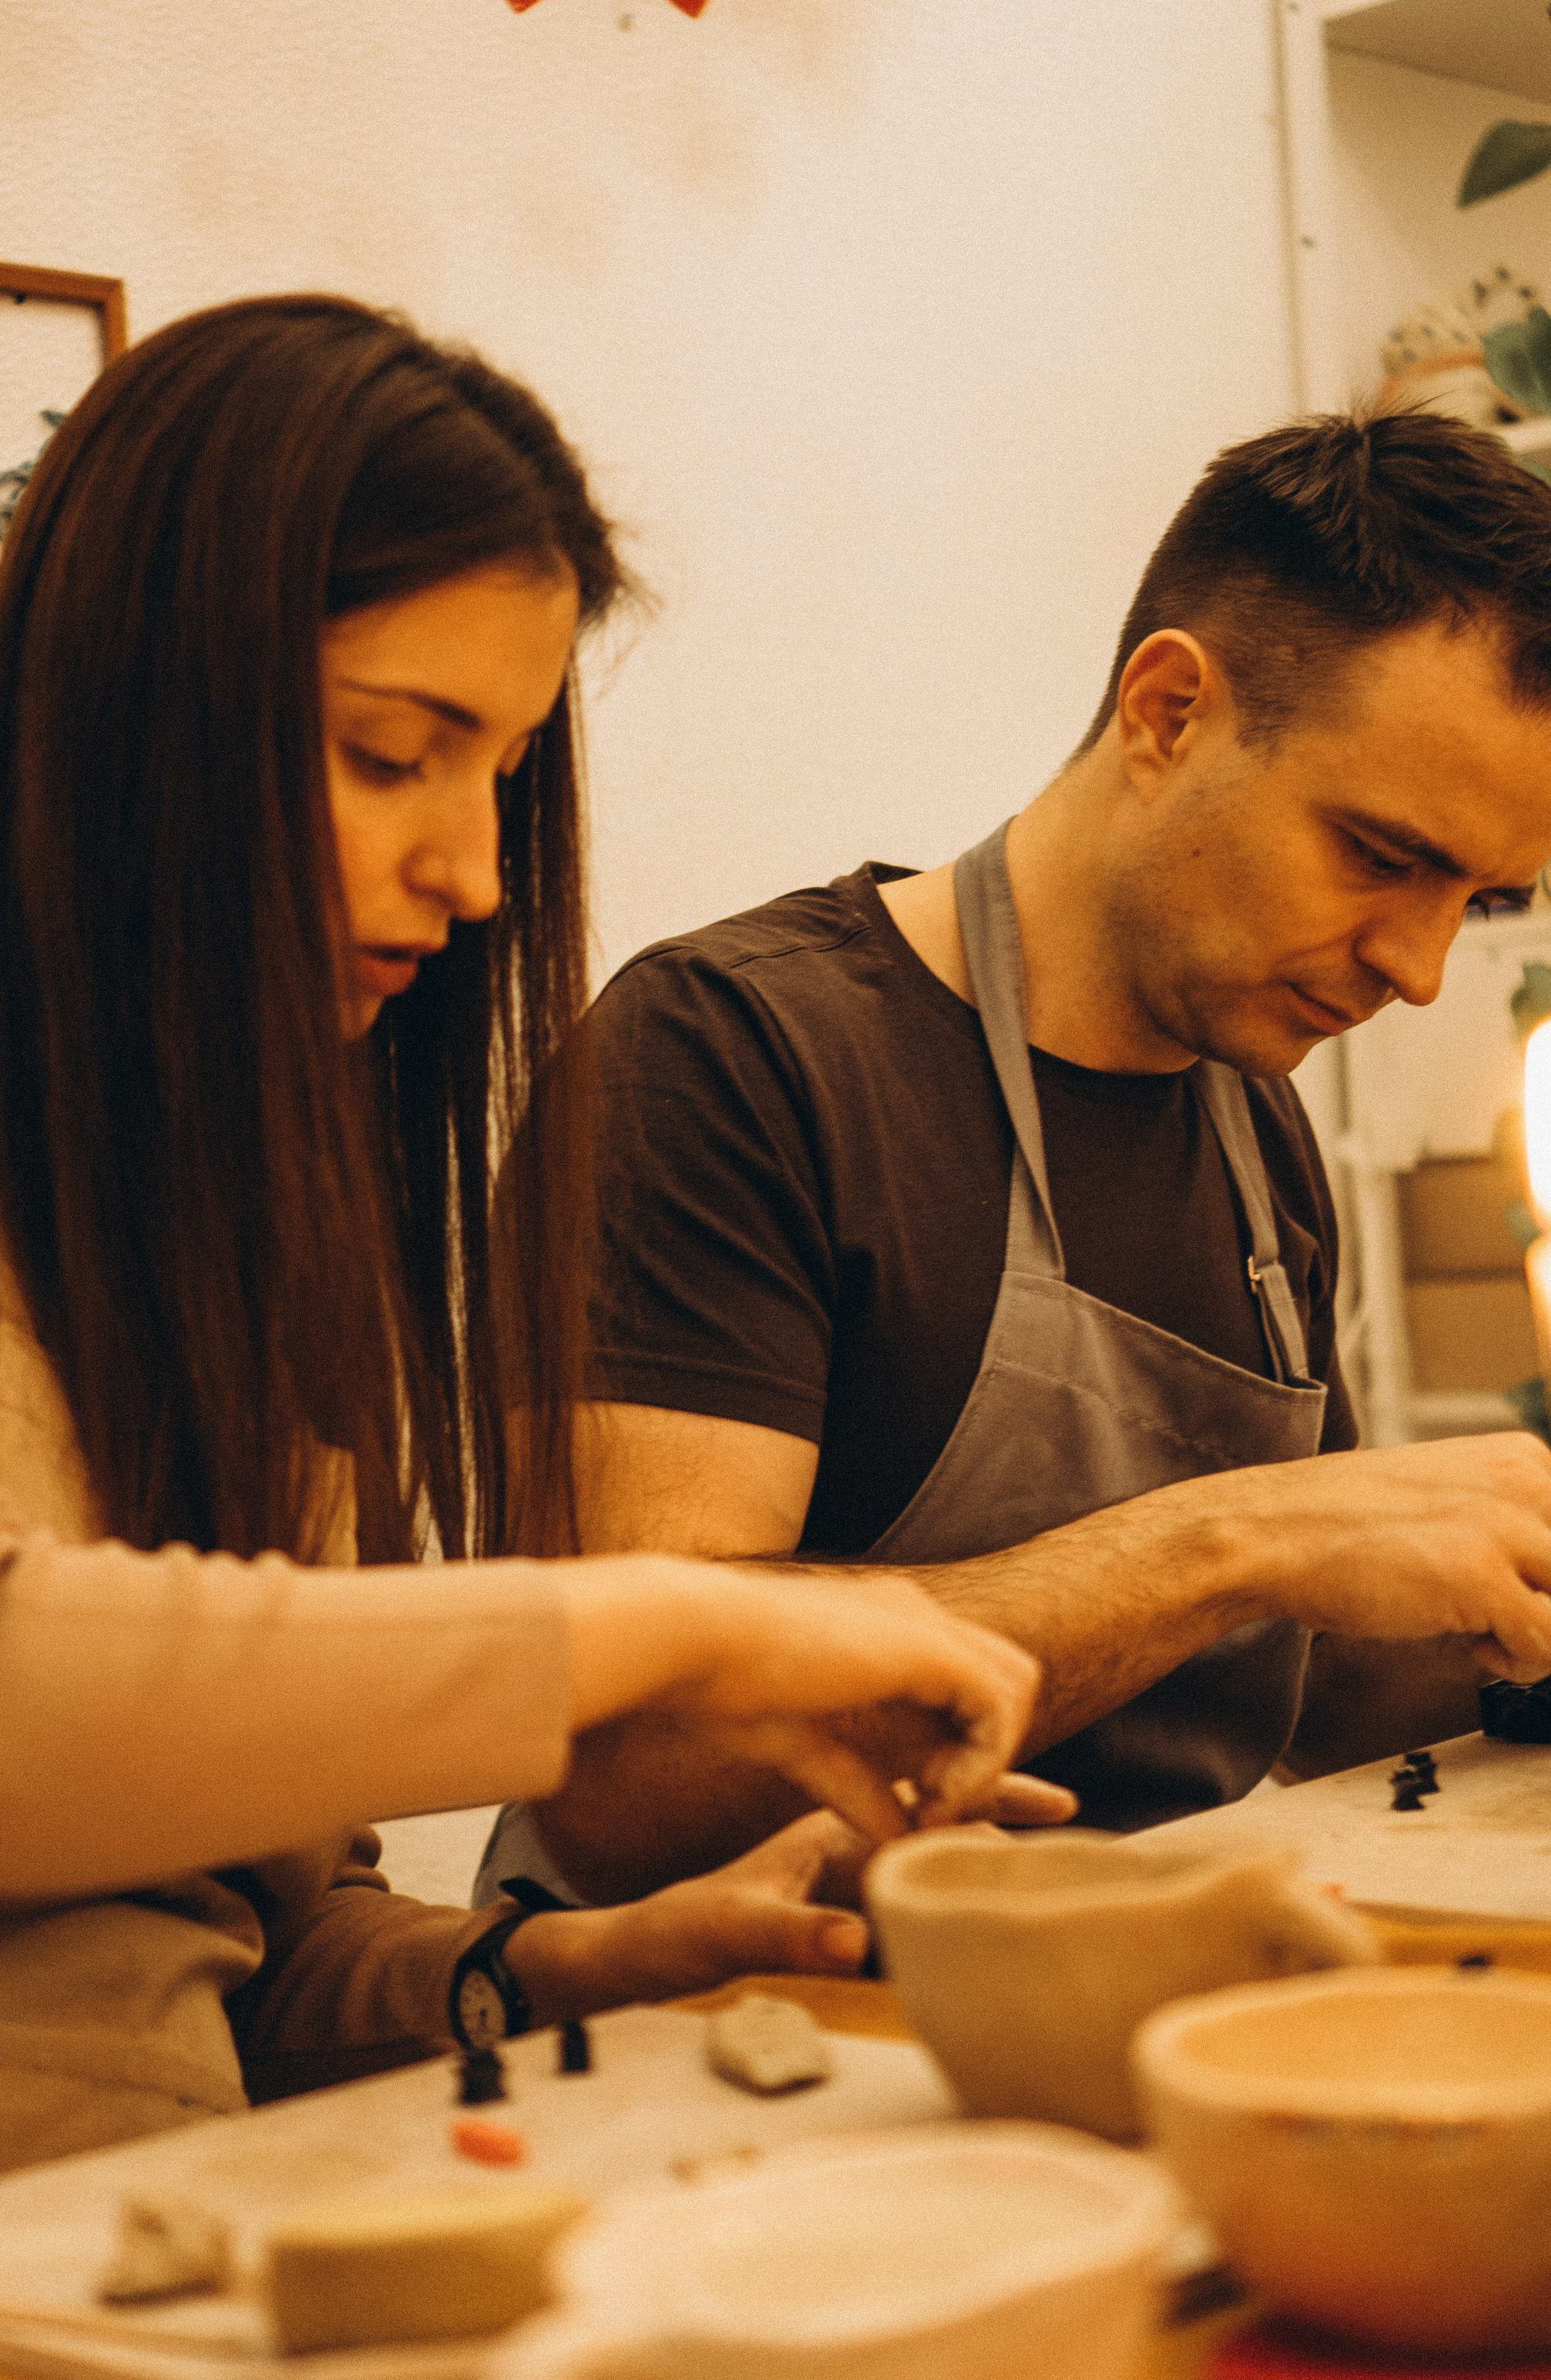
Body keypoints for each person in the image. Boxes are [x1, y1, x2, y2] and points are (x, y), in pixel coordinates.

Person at [0, 294, 1055, 2213]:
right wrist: (685, 1620)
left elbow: (257, 1952)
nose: (477, 877)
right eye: (394, 756)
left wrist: (592, 1960)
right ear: (136, 709)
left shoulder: (237, 1206)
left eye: (499, 772)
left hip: (160, 2238)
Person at [481, 408, 1551, 1909]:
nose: (1420, 968)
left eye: (1480, 899)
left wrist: (1492, 1608)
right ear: (1167, 711)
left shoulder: (1252, 1122)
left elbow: (1308, 1700)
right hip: (728, 2048)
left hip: (1125, 1981)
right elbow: (625, 1774)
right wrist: (1229, 1543)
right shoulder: (731, 1057)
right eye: (1380, 855)